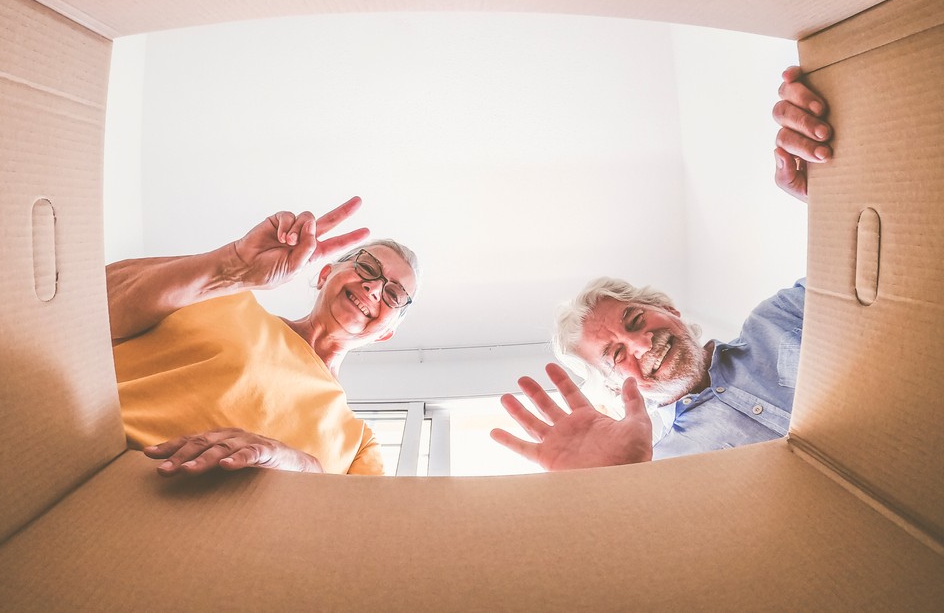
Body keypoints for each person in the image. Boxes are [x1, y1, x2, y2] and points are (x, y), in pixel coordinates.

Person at [491, 66, 832, 470]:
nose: (641, 344)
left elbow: (869, 279)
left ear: (668, 309)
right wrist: (609, 495)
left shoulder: (777, 318)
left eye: (635, 320)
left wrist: (831, 196)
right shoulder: (657, 468)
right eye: (616, 355)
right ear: (616, 389)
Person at [107, 196, 420, 476]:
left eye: (394, 294)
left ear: (385, 334)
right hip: (87, 458)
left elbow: (353, 527)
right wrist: (232, 268)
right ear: (325, 274)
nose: (374, 287)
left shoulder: (360, 445)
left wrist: (304, 466)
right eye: (366, 267)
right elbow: (88, 306)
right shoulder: (225, 295)